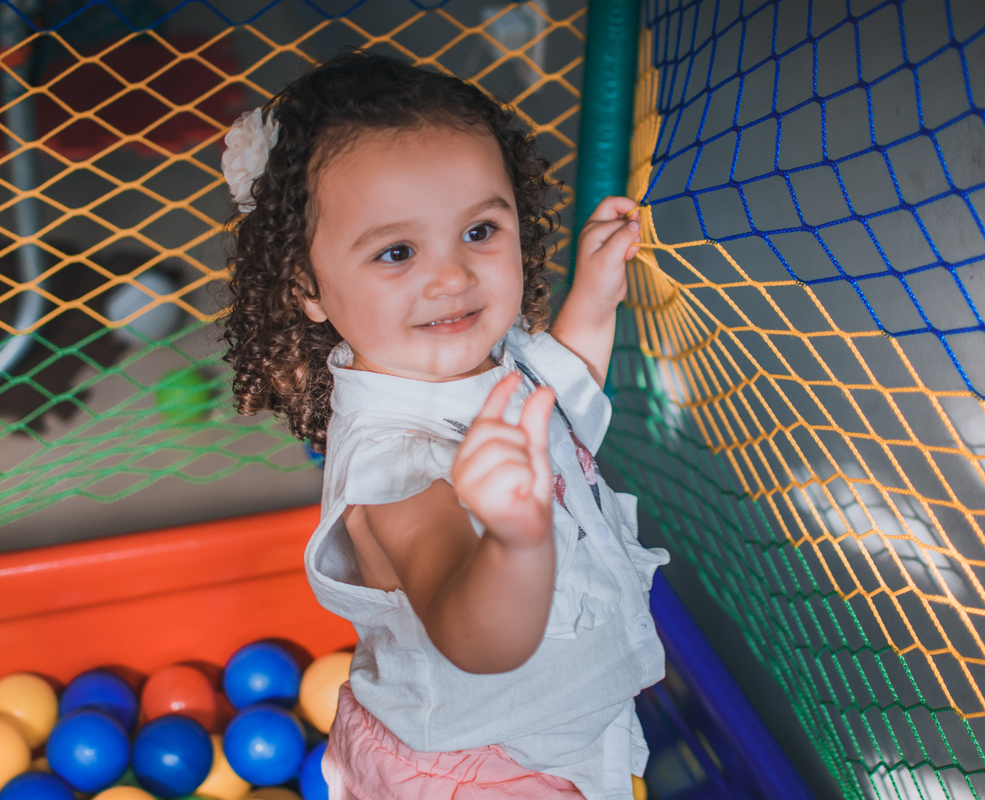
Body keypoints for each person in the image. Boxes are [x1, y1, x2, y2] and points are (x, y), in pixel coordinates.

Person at [221, 51, 670, 800]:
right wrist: (516, 542)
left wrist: (592, 300)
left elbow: (560, 402)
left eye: (481, 231)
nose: (452, 276)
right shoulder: (394, 464)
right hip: (489, 767)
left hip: (554, 732)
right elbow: (475, 638)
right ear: (307, 288)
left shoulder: (489, 359)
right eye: (398, 251)